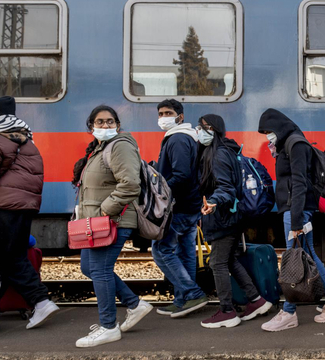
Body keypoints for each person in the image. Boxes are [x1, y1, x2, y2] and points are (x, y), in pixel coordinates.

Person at [258, 108, 325, 332]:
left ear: (278, 126)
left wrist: (297, 220)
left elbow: (299, 182)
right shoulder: (289, 143)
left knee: (293, 259)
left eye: (269, 131)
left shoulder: (296, 144)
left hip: (296, 210)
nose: (268, 136)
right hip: (294, 209)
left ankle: (289, 312)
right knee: (306, 255)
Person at [71, 105, 153, 347]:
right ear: (91, 126)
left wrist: (105, 210)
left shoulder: (120, 145)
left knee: (100, 270)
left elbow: (130, 184)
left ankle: (108, 327)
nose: (105, 126)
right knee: (89, 267)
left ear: (117, 124)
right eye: (100, 121)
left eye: (110, 121)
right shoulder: (100, 149)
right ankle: (136, 305)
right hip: (95, 221)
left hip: (111, 220)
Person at [196, 114, 271, 329]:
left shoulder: (218, 155)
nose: (200, 132)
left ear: (215, 129)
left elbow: (226, 188)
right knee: (228, 260)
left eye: (204, 128)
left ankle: (227, 311)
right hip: (229, 216)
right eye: (199, 127)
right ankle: (256, 300)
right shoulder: (222, 151)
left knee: (217, 262)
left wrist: (212, 202)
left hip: (223, 217)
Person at [0, 96, 59, 333]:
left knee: (7, 259)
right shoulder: (24, 138)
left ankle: (40, 301)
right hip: (23, 207)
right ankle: (41, 302)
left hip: (3, 207)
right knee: (12, 258)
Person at [151, 99, 208, 318]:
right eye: (160, 113)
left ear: (180, 117)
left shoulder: (177, 139)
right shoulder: (186, 137)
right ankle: (183, 300)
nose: (163, 117)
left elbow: (181, 175)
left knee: (161, 250)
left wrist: (160, 190)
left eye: (168, 113)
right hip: (189, 204)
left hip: (179, 206)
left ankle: (192, 293)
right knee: (185, 252)